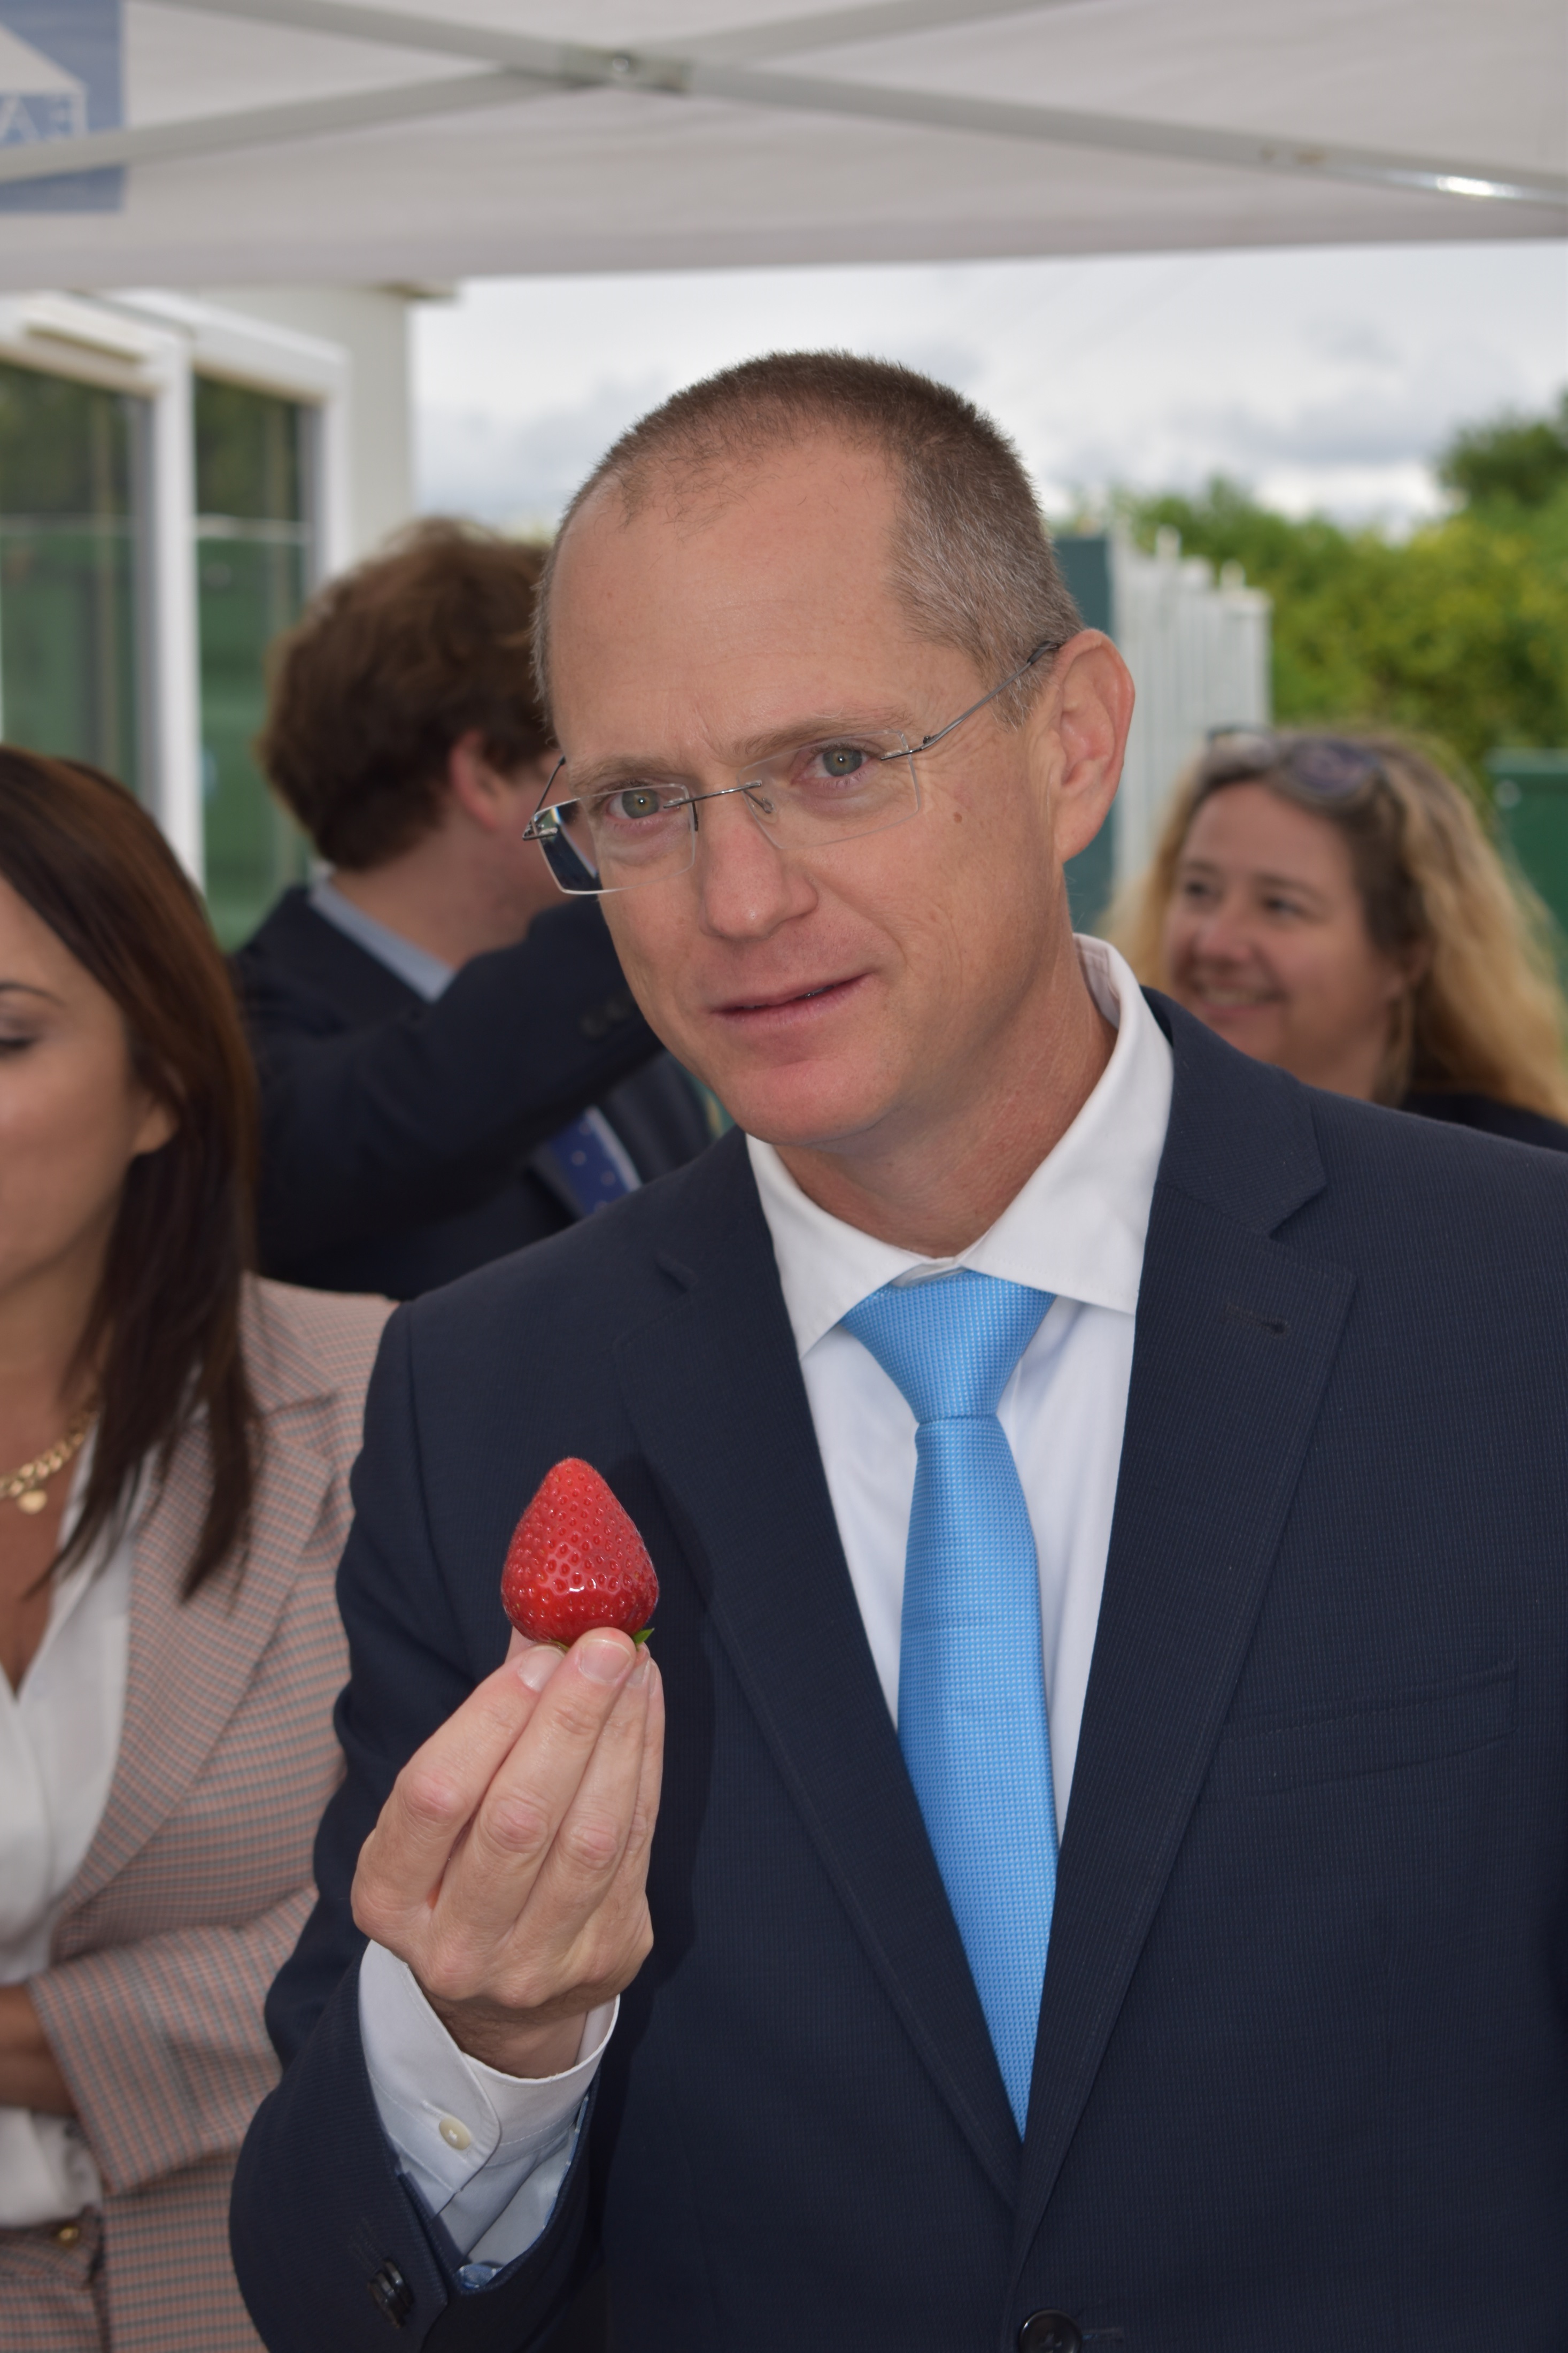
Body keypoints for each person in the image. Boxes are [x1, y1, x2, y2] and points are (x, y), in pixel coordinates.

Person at [233, 356, 1568, 2351]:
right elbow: (345, 2287)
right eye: (641, 804)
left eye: (835, 760)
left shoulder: (1510, 1305)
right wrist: (485, 2047)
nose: (738, 898)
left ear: (1072, 742)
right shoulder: (485, 1396)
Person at [0, 749, 390, 2349]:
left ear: (161, 1080)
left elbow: (435, 1925)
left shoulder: (386, 1399)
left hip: (262, 2294)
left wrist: (53, 2033)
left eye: (0, 1036)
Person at [232, 520, 714, 1300]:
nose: (653, 810)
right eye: (619, 776)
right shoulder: (238, 1040)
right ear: (486, 775)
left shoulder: (612, 1014)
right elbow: (420, 1112)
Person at [1108, 726, 1568, 1146]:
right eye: (1198, 890)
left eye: (1280, 905)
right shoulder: (1108, 1142)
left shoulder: (1519, 1183)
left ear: (1404, 954)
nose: (1214, 943)